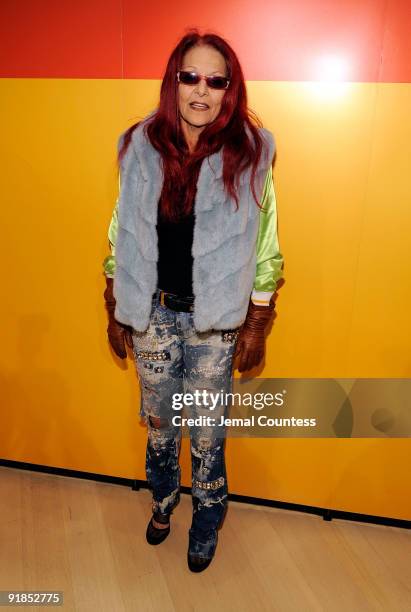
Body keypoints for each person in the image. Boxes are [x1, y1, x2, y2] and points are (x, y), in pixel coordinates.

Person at [102, 29, 284, 572]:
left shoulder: (250, 153)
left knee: (206, 431)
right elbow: (120, 228)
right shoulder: (140, 145)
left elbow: (267, 242)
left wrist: (256, 320)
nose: (201, 91)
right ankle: (162, 500)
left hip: (214, 323)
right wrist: (114, 297)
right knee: (160, 423)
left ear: (230, 90)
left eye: (215, 80)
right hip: (152, 313)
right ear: (173, 82)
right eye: (190, 77)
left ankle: (207, 520)